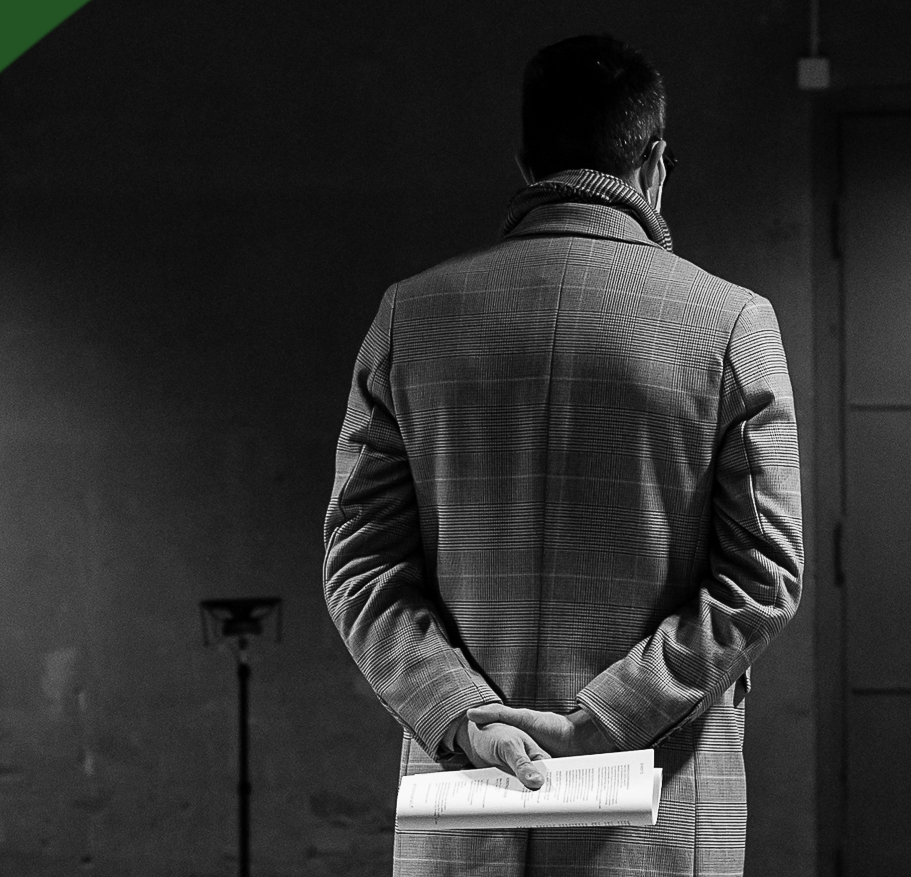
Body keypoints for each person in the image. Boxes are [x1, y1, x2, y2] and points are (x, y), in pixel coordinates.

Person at [320, 33, 802, 877]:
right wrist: (600, 721)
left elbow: (361, 566)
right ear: (654, 165)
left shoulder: (409, 318)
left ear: (525, 162)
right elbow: (763, 577)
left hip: (464, 822)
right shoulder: (733, 326)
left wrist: (466, 715)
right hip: (656, 829)